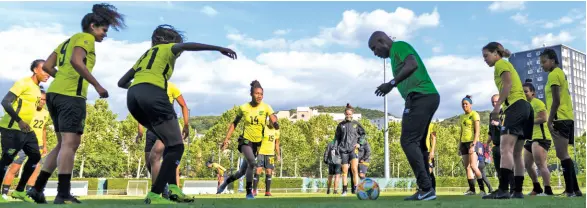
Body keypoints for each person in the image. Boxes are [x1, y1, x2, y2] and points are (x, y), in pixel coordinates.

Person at [118, 24, 236, 204]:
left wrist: (139, 88)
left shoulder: (144, 57)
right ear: (168, 41)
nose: (179, 53)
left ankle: (174, 190)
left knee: (170, 144)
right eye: (177, 46)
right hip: (154, 95)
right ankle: (155, 194)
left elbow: (121, 82)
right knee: (177, 146)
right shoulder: (168, 48)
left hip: (132, 98)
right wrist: (218, 48)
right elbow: (190, 46)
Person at [27, 4, 126, 204]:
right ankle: (63, 193)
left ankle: (37, 188)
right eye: (103, 30)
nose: (105, 35)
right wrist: (97, 85)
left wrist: (62, 78)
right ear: (92, 26)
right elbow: (76, 61)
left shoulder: (66, 41)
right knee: (71, 144)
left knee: (63, 144)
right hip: (71, 96)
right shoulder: (86, 38)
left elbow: (47, 66)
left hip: (55, 94)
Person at [370, 31, 440, 201]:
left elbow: (412, 64)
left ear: (382, 41)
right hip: (425, 96)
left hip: (420, 96)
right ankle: (428, 188)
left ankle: (425, 187)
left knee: (407, 141)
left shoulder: (398, 46)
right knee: (418, 144)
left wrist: (391, 83)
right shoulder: (394, 56)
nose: (375, 53)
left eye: (374, 48)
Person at [481, 42, 533, 200]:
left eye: (486, 56)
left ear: (496, 53)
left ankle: (503, 189)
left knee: (505, 149)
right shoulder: (505, 62)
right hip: (526, 109)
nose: (485, 59)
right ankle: (517, 191)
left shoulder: (500, 64)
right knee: (517, 153)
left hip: (516, 107)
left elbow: (507, 84)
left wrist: (497, 108)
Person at [0, 59, 49, 203]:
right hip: (12, 128)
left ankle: (20, 191)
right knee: (7, 160)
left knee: (35, 157)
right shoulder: (23, 83)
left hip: (27, 131)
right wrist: (19, 121)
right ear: (35, 70)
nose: (48, 74)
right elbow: (5, 102)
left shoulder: (36, 88)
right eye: (44, 70)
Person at [220, 80, 278, 199]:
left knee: (242, 171)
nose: (259, 96)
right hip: (245, 141)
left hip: (257, 145)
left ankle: (225, 183)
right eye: (257, 93)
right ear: (251, 94)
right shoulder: (244, 108)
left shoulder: (266, 107)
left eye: (261, 94)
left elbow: (272, 117)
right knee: (252, 162)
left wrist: (275, 123)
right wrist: (226, 139)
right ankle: (249, 192)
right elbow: (234, 123)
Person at [135, 81, 189, 199]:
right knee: (149, 162)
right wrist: (140, 131)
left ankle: (167, 192)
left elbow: (184, 105)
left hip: (167, 126)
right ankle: (162, 187)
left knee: (160, 158)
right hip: (151, 129)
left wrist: (186, 125)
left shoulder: (171, 87)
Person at [540, 49, 582, 197]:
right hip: (567, 117)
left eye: (544, 62)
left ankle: (570, 190)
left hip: (560, 118)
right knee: (564, 154)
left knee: (562, 154)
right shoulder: (560, 74)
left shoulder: (554, 74)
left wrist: (550, 120)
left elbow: (556, 100)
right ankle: (575, 190)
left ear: (552, 60)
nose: (542, 66)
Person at [522, 80, 554, 196]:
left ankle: (548, 190)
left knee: (541, 164)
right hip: (530, 138)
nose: (524, 94)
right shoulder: (524, 106)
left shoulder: (538, 103)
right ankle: (537, 188)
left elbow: (544, 118)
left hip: (541, 137)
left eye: (526, 92)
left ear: (533, 93)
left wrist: (528, 122)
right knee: (527, 164)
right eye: (522, 92)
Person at [333, 103, 365, 196]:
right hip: (343, 150)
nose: (348, 115)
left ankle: (356, 189)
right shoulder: (340, 125)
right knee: (344, 171)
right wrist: (336, 148)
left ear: (352, 114)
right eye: (347, 114)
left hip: (353, 150)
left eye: (350, 114)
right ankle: (344, 190)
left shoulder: (356, 124)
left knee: (354, 169)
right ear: (344, 114)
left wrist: (360, 143)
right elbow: (336, 138)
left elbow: (363, 134)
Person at [458, 95, 487, 196]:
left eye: (466, 104)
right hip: (463, 143)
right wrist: (459, 146)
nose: (464, 105)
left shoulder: (475, 114)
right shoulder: (462, 116)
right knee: (467, 167)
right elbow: (461, 132)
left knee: (474, 166)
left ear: (470, 105)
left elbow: (477, 131)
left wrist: (473, 144)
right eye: (463, 104)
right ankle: (472, 190)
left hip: (472, 142)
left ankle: (482, 190)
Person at [486, 94, 515, 194]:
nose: (494, 104)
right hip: (496, 145)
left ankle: (513, 189)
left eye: (496, 101)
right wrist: (486, 144)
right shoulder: (492, 115)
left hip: (506, 144)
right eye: (493, 102)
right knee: (499, 169)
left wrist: (498, 125)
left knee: (509, 168)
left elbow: (508, 128)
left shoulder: (507, 112)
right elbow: (490, 132)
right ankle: (503, 189)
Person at [252, 120, 281, 196]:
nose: (273, 123)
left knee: (269, 171)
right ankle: (254, 191)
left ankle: (267, 192)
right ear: (269, 121)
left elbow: (277, 143)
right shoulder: (264, 128)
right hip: (261, 153)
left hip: (271, 154)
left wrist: (278, 155)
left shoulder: (277, 131)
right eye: (272, 121)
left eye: (275, 122)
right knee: (258, 170)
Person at [425, 122, 437, 190]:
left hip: (428, 151)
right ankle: (422, 189)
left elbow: (434, 138)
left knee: (429, 171)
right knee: (421, 171)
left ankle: (432, 189)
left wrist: (432, 151)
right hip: (419, 151)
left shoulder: (431, 125)